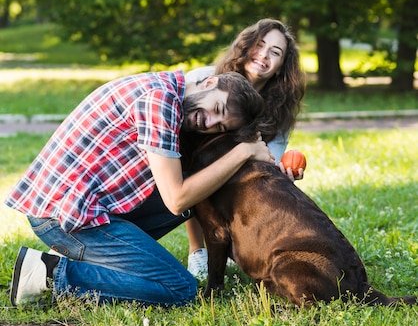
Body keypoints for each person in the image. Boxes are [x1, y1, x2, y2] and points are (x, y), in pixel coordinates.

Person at [5, 69, 273, 307]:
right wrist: (244, 152)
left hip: (83, 206)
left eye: (220, 126)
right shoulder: (160, 101)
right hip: (63, 218)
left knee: (201, 190)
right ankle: (50, 274)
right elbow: (176, 199)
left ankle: (87, 258)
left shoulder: (168, 91)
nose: (210, 123)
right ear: (209, 82)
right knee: (180, 288)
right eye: (217, 108)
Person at [185, 18, 306, 279]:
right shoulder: (206, 78)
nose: (264, 55)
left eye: (275, 52)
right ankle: (197, 252)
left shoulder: (279, 111)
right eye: (259, 45)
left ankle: (234, 246)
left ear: (280, 68)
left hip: (238, 177)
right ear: (245, 46)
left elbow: (266, 161)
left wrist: (282, 173)